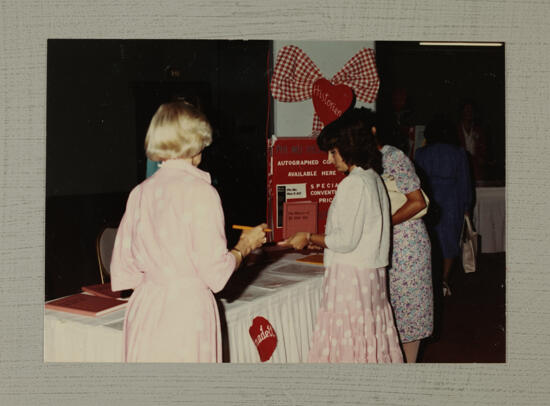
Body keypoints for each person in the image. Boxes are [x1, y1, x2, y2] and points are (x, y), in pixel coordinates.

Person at [110, 101, 267, 362]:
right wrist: (244, 247)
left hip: (146, 308)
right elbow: (215, 275)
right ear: (196, 142)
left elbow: (123, 268)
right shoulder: (201, 192)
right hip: (186, 313)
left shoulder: (140, 193)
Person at [280, 108, 403, 363]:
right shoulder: (372, 178)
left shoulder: (354, 183)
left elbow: (345, 241)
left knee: (348, 338)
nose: (328, 159)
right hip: (369, 274)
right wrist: (321, 244)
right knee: (366, 335)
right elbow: (362, 234)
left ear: (350, 147)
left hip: (351, 277)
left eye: (332, 152)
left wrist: (310, 237)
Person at [377, 120, 434, 363]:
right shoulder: (369, 162)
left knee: (409, 317)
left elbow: (418, 202)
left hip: (406, 242)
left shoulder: (392, 156)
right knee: (393, 315)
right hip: (387, 243)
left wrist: (383, 224)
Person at [415, 115, 472, 297]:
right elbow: (465, 182)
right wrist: (466, 206)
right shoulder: (459, 153)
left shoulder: (421, 153)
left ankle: (429, 281)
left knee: (429, 241)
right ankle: (444, 281)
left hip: (428, 199)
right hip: (451, 200)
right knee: (449, 242)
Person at [457, 100, 487, 182]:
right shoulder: (456, 130)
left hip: (477, 171)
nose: (469, 112)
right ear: (462, 112)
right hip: (460, 169)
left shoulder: (479, 130)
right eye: (466, 110)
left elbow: (484, 152)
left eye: (471, 110)